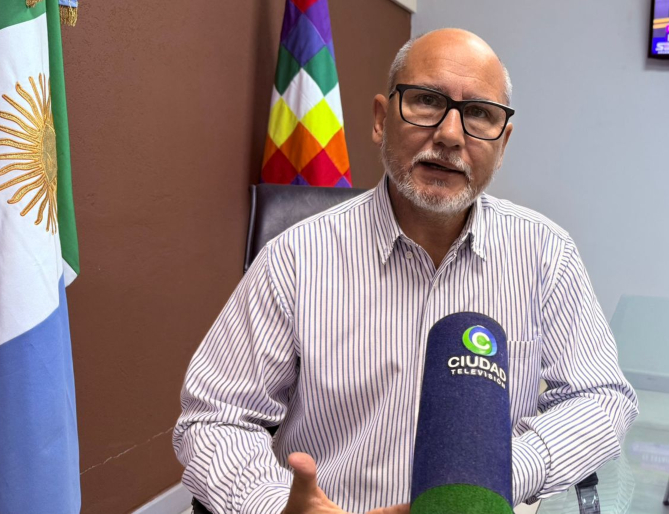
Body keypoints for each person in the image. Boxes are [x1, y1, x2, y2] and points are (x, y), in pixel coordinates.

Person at [173, 28, 638, 514]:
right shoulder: (294, 258)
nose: (450, 135)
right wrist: (274, 505)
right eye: (426, 101)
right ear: (381, 119)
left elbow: (601, 397)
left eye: (479, 113)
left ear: (503, 143)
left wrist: (494, 472)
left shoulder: (545, 254)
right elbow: (216, 417)